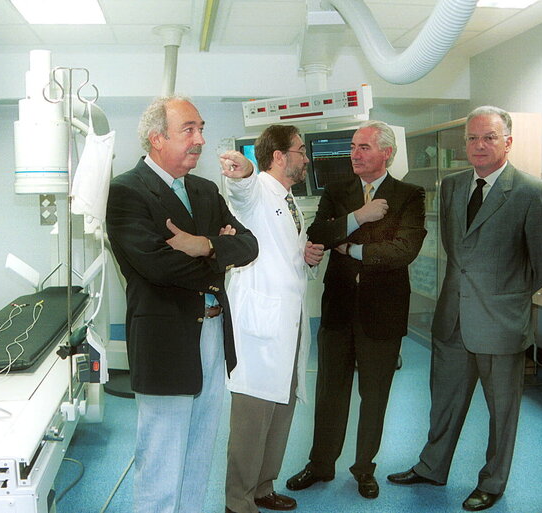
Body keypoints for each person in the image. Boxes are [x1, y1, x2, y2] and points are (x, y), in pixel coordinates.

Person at [387, 106, 542, 511]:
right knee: (443, 402)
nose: (479, 145)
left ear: (508, 142)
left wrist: (510, 293)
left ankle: (493, 482)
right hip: (452, 317)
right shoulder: (453, 186)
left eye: (489, 137)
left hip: (500, 323)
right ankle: (432, 467)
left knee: (502, 411)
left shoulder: (532, 191)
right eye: (472, 138)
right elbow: (457, 248)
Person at [105, 95, 258, 513]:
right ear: (157, 138)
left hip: (213, 330)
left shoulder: (205, 191)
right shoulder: (126, 191)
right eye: (189, 130)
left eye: (201, 129)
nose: (200, 139)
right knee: (161, 452)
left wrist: (203, 245)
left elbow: (249, 245)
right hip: (165, 337)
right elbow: (158, 266)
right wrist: (220, 253)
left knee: (200, 446)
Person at [285, 120, 426, 500]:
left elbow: (404, 250)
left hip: (383, 312)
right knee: (329, 393)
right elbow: (319, 234)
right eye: (352, 147)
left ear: (387, 153)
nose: (354, 154)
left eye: (364, 147)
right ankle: (320, 464)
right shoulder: (337, 191)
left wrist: (353, 248)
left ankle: (364, 468)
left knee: (374, 395)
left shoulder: (409, 196)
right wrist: (358, 218)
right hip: (338, 309)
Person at [220, 125, 324, 513]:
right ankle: (238, 501)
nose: (306, 158)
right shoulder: (260, 190)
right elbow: (242, 192)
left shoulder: (288, 198)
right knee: (252, 419)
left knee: (282, 410)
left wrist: (306, 256)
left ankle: (263, 487)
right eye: (300, 150)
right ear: (279, 156)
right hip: (260, 329)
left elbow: (281, 251)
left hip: (289, 324)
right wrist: (244, 172)